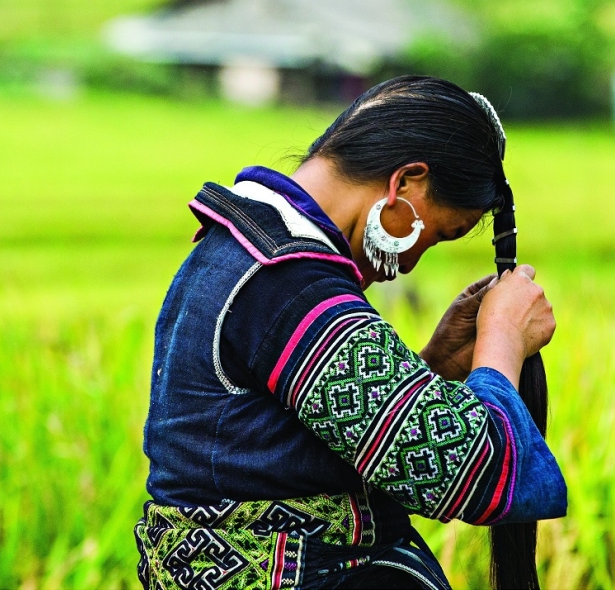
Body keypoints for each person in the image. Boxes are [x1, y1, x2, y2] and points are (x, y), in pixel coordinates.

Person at [134, 75, 566, 590]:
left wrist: (434, 365)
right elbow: (465, 471)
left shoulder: (244, 252)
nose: (410, 263)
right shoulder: (291, 286)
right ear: (405, 183)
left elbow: (291, 452)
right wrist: (503, 340)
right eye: (436, 233)